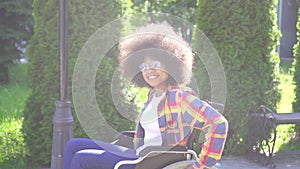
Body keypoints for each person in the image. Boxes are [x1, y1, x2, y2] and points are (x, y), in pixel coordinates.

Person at [64, 22, 228, 169]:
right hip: (138, 152)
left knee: (81, 158)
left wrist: (201, 166)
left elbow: (218, 123)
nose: (149, 70)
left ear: (171, 65)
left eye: (155, 64)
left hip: (150, 160)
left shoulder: (180, 97)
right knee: (73, 145)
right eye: (143, 66)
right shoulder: (152, 96)